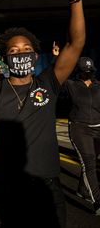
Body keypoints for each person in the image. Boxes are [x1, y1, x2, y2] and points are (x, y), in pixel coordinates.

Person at [0, 0, 85, 227]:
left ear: (36, 55)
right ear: (5, 59)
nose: (20, 53)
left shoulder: (49, 82)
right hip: (8, 189)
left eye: (26, 49)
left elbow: (75, 44)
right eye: (13, 51)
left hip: (48, 188)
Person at [63, 57, 100, 215]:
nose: (88, 75)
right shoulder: (71, 85)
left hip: (98, 128)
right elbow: (56, 75)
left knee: (92, 164)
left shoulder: (98, 85)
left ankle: (82, 189)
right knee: (89, 165)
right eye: (85, 72)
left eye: (90, 72)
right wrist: (59, 58)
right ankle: (98, 202)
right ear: (78, 72)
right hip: (79, 128)